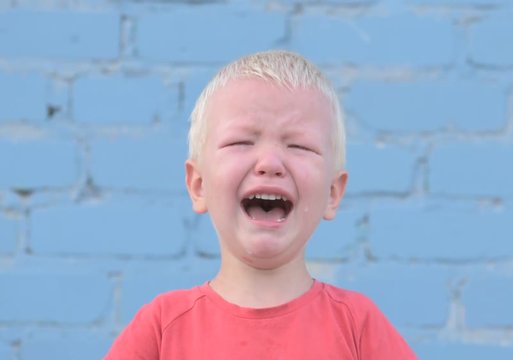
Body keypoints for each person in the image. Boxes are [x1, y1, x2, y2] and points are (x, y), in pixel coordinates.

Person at [105, 50, 417, 359]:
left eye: (299, 145)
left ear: (332, 193)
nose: (269, 163)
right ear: (199, 185)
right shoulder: (162, 327)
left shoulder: (358, 325)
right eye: (241, 142)